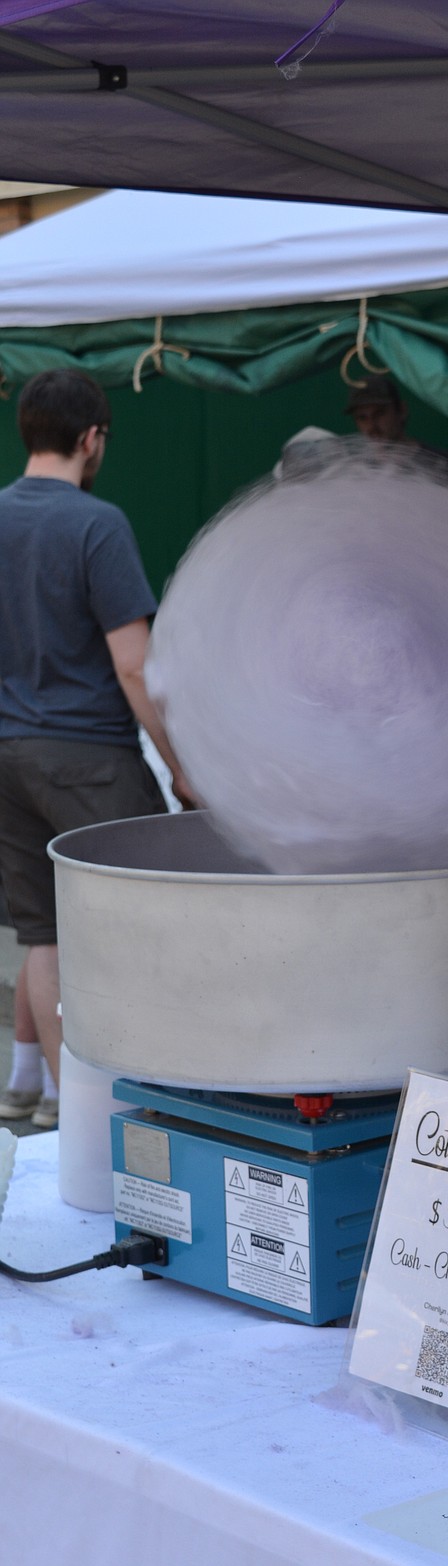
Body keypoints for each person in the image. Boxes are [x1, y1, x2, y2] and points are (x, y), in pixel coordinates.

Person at [0, 369, 188, 1126]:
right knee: (132, 935)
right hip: (91, 760)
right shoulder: (96, 523)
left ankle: (66, 1114)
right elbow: (135, 664)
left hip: (7, 755)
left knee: (41, 936)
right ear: (92, 439)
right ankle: (131, 1116)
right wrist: (182, 768)